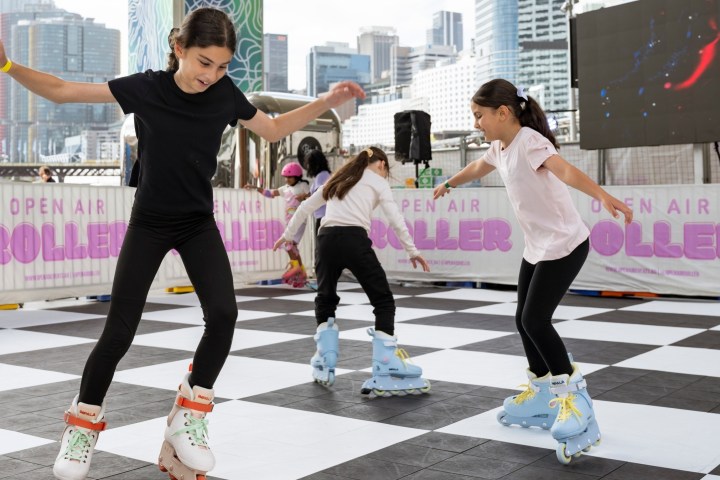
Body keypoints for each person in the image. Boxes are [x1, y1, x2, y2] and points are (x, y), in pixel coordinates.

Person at [0, 7, 364, 480]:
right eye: (203, 62)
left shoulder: (223, 95)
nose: (211, 75)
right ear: (179, 49)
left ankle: (188, 416)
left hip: (197, 223)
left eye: (222, 66)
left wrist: (326, 100)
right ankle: (82, 424)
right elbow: (64, 91)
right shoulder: (147, 88)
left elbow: (272, 129)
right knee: (120, 330)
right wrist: (7, 66)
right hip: (150, 222)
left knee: (225, 315)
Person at [432, 79, 633, 464]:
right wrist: (450, 182)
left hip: (565, 243)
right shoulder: (499, 146)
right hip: (538, 247)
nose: (477, 123)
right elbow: (478, 165)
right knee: (522, 321)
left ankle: (575, 400)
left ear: (503, 112)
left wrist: (603, 196)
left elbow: (567, 171)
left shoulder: (529, 141)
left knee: (536, 320)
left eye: (479, 116)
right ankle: (543, 393)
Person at [273, 146, 432, 397]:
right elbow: (395, 219)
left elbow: (305, 209)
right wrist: (412, 251)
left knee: (325, 297)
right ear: (381, 164)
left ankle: (326, 359)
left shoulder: (339, 179)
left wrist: (287, 235)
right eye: (386, 168)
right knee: (383, 300)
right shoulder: (378, 182)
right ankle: (384, 365)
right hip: (354, 239)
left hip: (325, 238)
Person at [245, 161, 310, 288]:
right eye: (285, 177)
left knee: (288, 244)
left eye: (289, 177)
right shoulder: (285, 189)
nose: (287, 180)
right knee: (293, 247)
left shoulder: (303, 185)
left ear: (297, 177)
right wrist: (255, 188)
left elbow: (312, 195)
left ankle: (296, 268)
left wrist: (304, 196)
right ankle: (301, 273)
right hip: (289, 222)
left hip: (299, 221)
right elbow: (271, 193)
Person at [303, 149, 332, 235]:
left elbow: (320, 195)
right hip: (324, 217)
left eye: (309, 164)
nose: (307, 167)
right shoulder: (324, 175)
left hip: (323, 217)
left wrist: (308, 199)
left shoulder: (322, 176)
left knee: (320, 246)